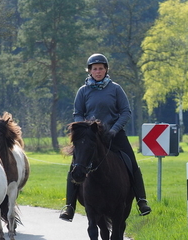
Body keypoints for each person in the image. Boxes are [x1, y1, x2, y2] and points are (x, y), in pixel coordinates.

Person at [59, 53, 152, 221]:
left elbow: (125, 112)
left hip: (113, 134)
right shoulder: (83, 91)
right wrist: (85, 130)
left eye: (101, 68)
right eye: (94, 69)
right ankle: (70, 206)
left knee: (131, 162)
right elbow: (78, 113)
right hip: (90, 136)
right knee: (75, 164)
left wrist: (114, 130)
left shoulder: (115, 89)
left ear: (106, 69)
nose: (98, 71)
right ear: (89, 71)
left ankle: (141, 200)